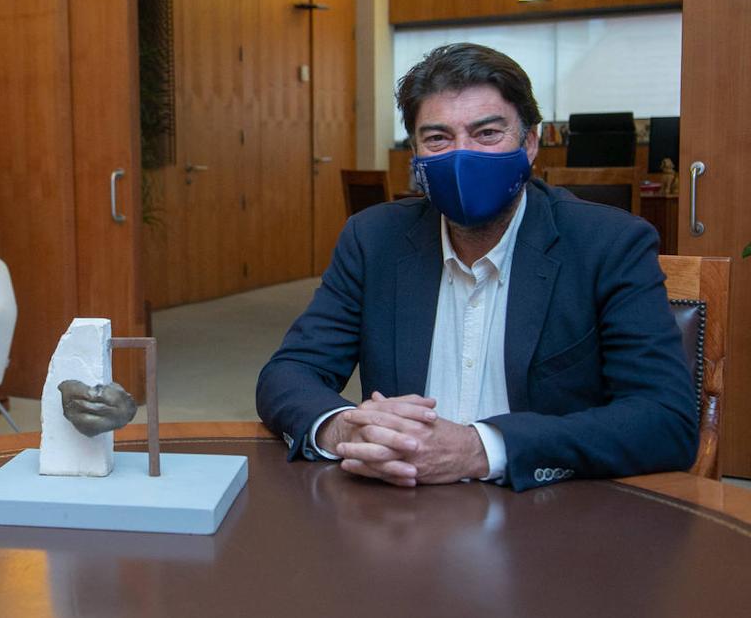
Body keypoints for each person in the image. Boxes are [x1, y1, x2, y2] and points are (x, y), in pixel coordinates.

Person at [256, 43, 697, 491]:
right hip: (399, 513)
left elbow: (664, 419)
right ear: (416, 154)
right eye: (438, 139)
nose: (462, 156)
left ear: (528, 143)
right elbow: (288, 374)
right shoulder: (373, 240)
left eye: (487, 134)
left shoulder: (608, 243)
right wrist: (344, 429)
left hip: (549, 517)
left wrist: (479, 449)